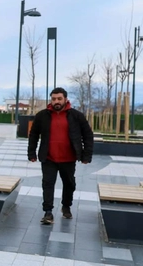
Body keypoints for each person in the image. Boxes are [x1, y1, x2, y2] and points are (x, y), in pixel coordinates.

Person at [27, 87, 94, 225]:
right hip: (49, 158)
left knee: (69, 184)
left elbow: (87, 135)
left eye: (59, 99)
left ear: (65, 99)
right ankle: (48, 212)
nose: (56, 101)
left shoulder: (76, 116)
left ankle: (66, 206)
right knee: (47, 184)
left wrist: (86, 155)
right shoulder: (42, 116)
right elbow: (33, 135)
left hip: (69, 158)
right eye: (53, 99)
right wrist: (31, 153)